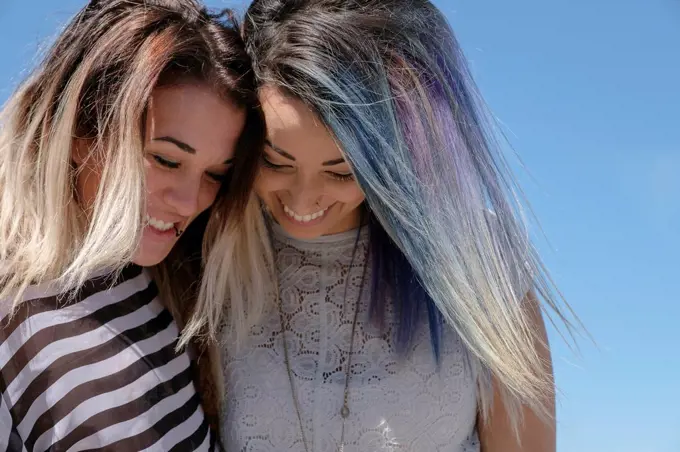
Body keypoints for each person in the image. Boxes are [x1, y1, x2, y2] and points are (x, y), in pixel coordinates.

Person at [193, 1, 580, 451]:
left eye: (342, 172)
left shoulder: (479, 256)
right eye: (274, 162)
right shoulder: (211, 243)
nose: (302, 201)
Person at [0, 0, 265, 450]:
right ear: (81, 133)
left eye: (215, 175)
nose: (188, 201)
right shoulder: (15, 318)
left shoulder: (165, 282)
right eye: (165, 159)